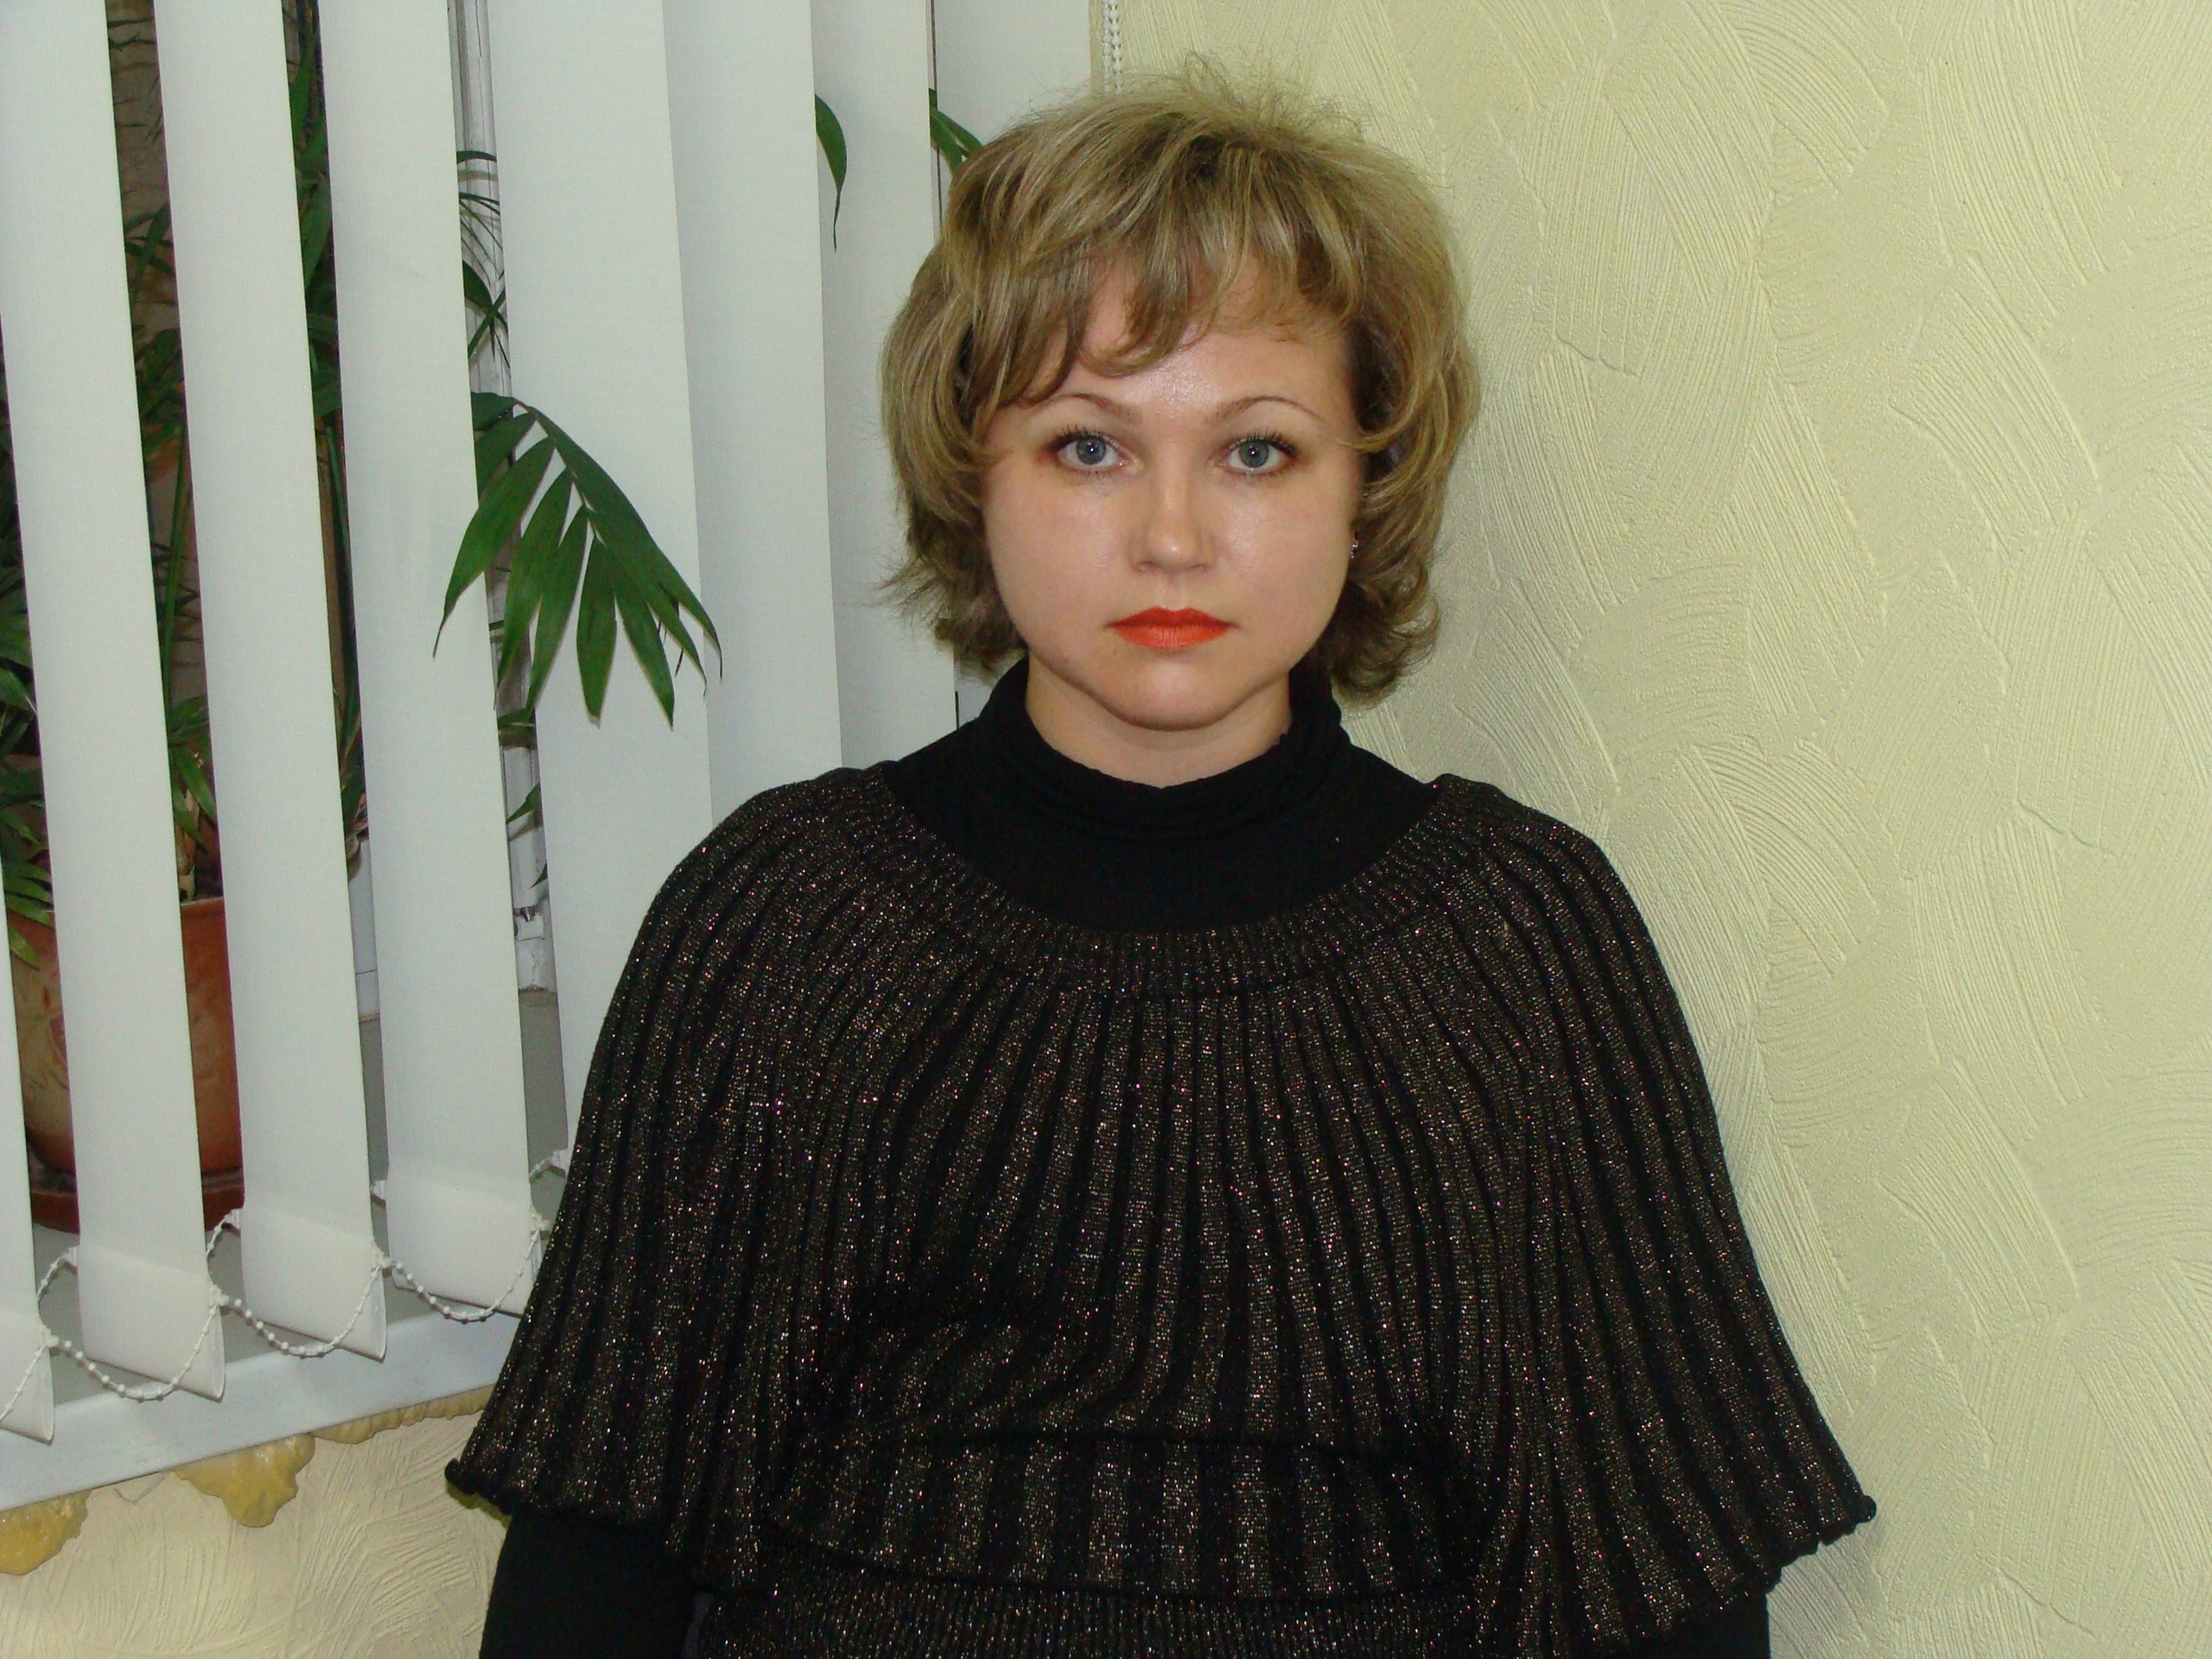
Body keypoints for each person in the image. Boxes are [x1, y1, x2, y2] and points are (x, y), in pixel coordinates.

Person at [451, 74, 1872, 1658]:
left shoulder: (1517, 941)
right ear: (974, 473)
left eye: (1257, 451)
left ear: (1366, 490)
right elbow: (600, 1553)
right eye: (1088, 447)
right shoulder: (785, 921)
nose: (1174, 536)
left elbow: (1665, 1581)